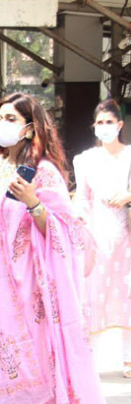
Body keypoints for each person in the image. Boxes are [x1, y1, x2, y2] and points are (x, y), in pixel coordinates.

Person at [0, 92, 115, 404]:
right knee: (0, 360)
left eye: (9, 117)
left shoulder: (47, 172)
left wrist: (35, 203)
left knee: (34, 362)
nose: (1, 124)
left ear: (30, 127)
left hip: (33, 290)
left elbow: (67, 233)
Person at [73, 98, 131, 377]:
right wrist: (80, 220)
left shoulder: (130, 156)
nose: (105, 127)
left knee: (128, 295)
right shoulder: (85, 160)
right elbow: (82, 198)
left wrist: (127, 197)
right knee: (92, 295)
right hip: (95, 235)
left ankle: (128, 357)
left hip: (126, 234)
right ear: (94, 127)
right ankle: (89, 357)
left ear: (120, 125)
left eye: (110, 122)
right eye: (100, 123)